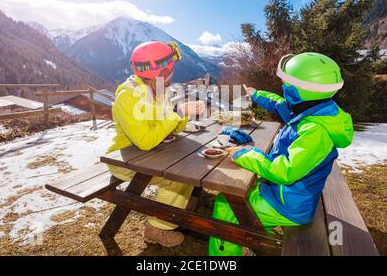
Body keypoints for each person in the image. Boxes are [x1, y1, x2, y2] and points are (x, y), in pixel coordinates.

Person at [209, 52, 354, 256]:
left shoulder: (315, 132)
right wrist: (256, 94)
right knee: (238, 196)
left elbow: (285, 171)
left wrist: (243, 154)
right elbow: (278, 103)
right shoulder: (313, 111)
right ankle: (258, 235)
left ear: (295, 92)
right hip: (286, 194)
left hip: (289, 205)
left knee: (226, 205)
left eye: (287, 83)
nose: (283, 87)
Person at [107, 41, 204, 248]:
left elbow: (171, 128)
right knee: (179, 178)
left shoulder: (158, 91)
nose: (173, 75)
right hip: (125, 160)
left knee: (188, 171)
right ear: (162, 71)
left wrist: (183, 116)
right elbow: (145, 141)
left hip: (151, 155)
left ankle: (169, 216)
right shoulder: (128, 97)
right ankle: (157, 228)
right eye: (171, 70)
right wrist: (178, 113)